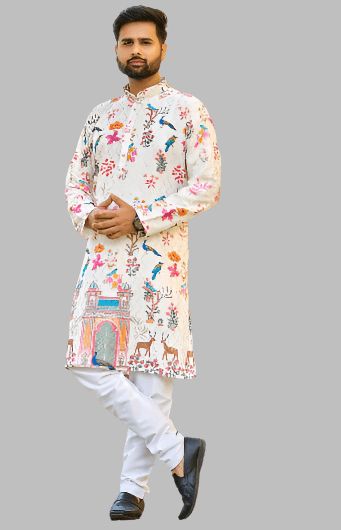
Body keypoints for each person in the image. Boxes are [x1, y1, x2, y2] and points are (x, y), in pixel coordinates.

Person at [64, 5, 221, 521]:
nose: (136, 50)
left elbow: (206, 185)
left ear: (163, 48)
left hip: (160, 262)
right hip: (104, 263)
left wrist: (141, 217)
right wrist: (88, 215)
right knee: (90, 364)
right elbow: (75, 180)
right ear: (116, 49)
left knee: (152, 376)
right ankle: (179, 451)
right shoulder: (99, 116)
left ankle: (132, 490)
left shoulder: (188, 110)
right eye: (127, 42)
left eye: (145, 42)